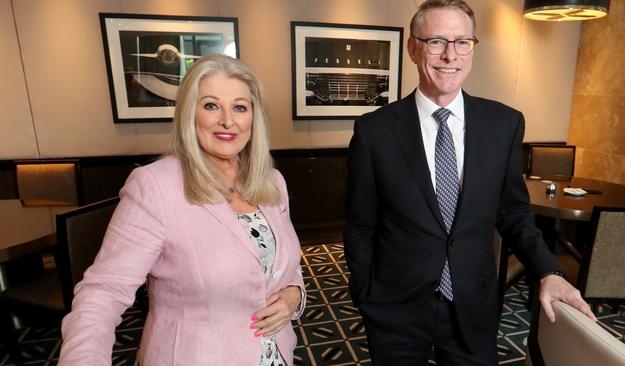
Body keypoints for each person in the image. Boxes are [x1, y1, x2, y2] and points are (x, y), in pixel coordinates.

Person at [344, 1, 596, 365]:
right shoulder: (374, 130)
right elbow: (360, 224)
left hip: (473, 303)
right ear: (414, 48)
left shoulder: (504, 124)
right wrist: (365, 292)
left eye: (463, 42)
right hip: (395, 306)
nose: (450, 55)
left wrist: (548, 269)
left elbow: (513, 212)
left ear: (473, 48)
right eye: (436, 42)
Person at [59, 54, 306, 365]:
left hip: (276, 354)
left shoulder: (271, 181)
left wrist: (295, 296)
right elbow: (101, 295)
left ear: (254, 118)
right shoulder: (154, 186)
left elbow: (285, 264)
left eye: (240, 108)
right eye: (211, 105)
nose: (227, 121)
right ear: (190, 113)